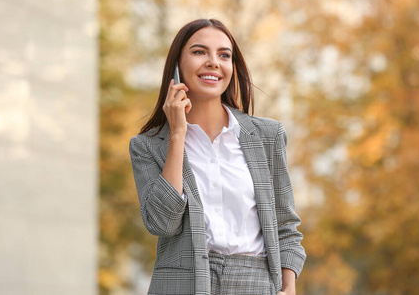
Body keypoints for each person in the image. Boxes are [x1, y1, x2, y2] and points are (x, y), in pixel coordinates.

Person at [129, 18, 306, 295]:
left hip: (255, 283)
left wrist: (289, 286)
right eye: (200, 52)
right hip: (182, 285)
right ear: (176, 65)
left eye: (224, 55)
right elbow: (162, 223)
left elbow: (285, 226)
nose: (213, 62)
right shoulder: (147, 146)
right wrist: (177, 135)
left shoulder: (267, 136)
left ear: (232, 68)